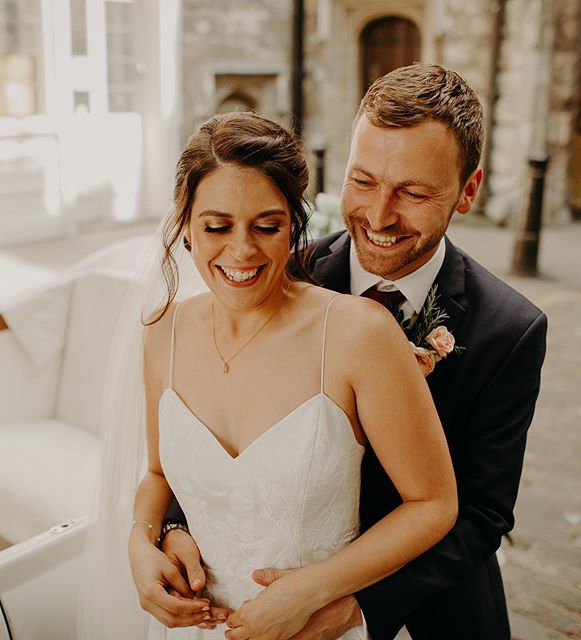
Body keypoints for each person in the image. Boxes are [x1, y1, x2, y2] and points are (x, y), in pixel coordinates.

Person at [134, 64, 548, 639]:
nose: (379, 216)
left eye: (414, 192)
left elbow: (481, 512)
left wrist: (357, 605)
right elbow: (210, 439)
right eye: (364, 180)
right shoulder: (270, 271)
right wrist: (163, 531)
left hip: (426, 606)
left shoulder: (511, 328)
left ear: (468, 191)